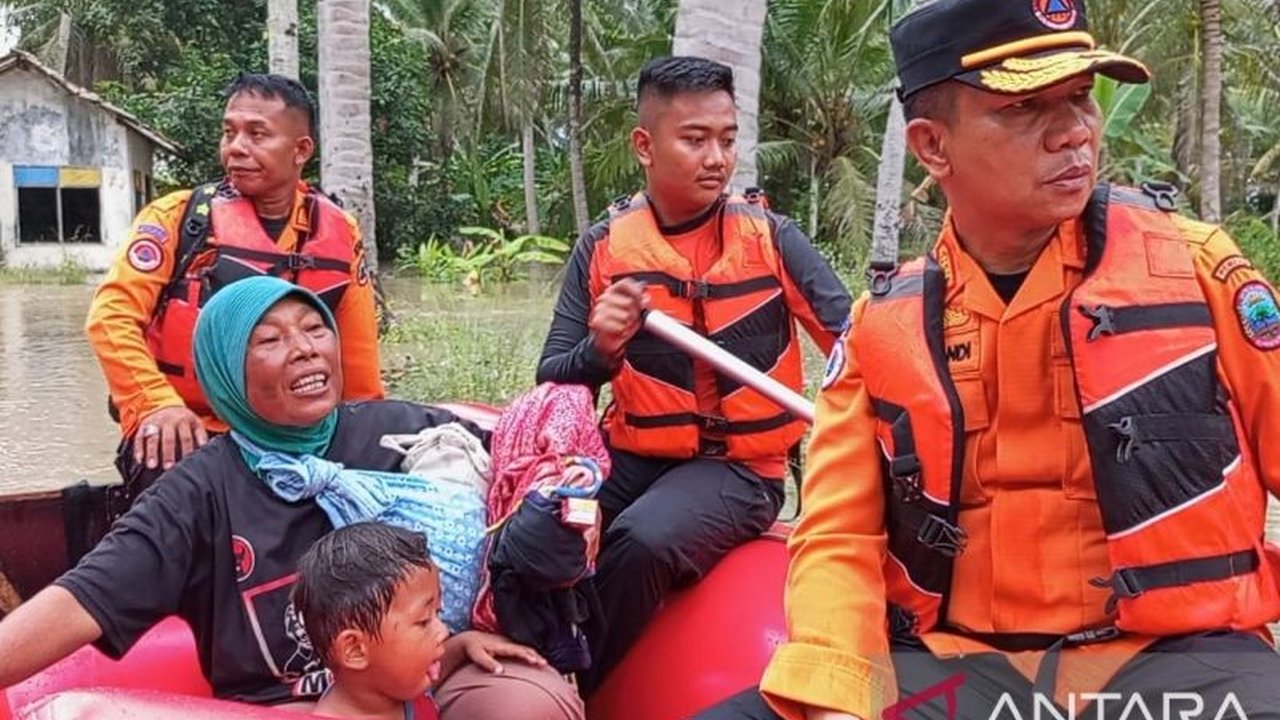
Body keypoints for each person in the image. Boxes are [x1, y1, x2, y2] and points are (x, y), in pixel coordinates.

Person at [697, 1, 1280, 719]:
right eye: (1026, 106)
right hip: (963, 671)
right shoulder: (887, 324)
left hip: (1177, 667)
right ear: (932, 146)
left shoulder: (1197, 274)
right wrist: (836, 698)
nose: (1074, 131)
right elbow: (839, 533)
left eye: (1078, 98)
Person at [0, 277, 580, 720]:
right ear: (226, 372)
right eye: (271, 340)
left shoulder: (404, 432)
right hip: (282, 704)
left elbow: (532, 465)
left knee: (523, 703)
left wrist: (573, 496)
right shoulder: (198, 492)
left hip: (428, 668)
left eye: (315, 328)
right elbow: (81, 601)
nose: (304, 349)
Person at [536, 55, 852, 691]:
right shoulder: (602, 248)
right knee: (538, 533)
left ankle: (569, 692)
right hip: (635, 455)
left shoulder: (772, 239)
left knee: (642, 541)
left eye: (728, 139)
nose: (717, 158)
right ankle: (513, 669)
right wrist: (603, 347)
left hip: (742, 471)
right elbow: (554, 373)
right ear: (644, 146)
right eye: (695, 139)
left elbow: (856, 347)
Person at [86, 72, 383, 500]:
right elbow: (110, 318)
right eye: (229, 132)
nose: (236, 148)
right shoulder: (177, 218)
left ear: (301, 150)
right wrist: (157, 403)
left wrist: (364, 435)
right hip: (188, 425)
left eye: (257, 134)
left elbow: (358, 360)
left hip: (293, 432)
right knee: (176, 494)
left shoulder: (339, 232)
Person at [297, 522, 568, 720]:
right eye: (423, 621)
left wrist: (463, 645)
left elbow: (416, 673)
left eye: (437, 614)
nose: (443, 630)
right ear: (355, 649)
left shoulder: (390, 688)